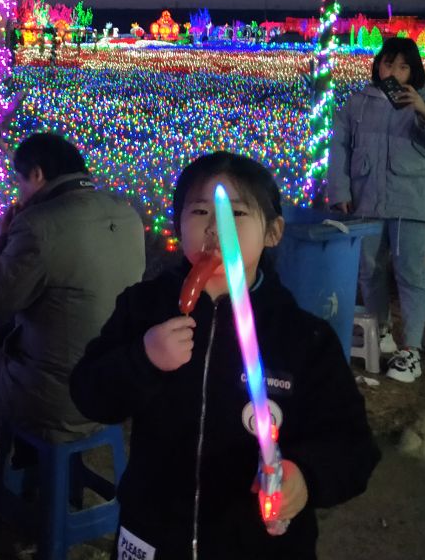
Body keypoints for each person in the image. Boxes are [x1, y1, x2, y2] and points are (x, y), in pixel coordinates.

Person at [71, 152, 379, 559]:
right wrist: (143, 358)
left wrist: (304, 478)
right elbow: (89, 395)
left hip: (258, 544)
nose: (215, 229)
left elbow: (353, 445)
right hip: (153, 532)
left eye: (236, 214)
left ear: (273, 231)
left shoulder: (303, 337)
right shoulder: (143, 308)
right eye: (200, 211)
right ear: (178, 222)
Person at [0, 133, 145, 512]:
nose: (19, 191)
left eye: (20, 181)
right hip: (111, 387)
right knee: (16, 343)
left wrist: (0, 239)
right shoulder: (125, 213)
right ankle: (41, 474)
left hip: (60, 397)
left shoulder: (39, 224)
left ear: (38, 175)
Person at [328, 36, 425, 383]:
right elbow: (339, 148)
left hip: (411, 200)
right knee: (370, 268)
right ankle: (378, 331)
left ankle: (410, 351)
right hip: (367, 197)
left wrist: (424, 113)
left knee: (410, 273)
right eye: (387, 63)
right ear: (377, 64)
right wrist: (340, 189)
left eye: (402, 65)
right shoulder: (357, 103)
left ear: (414, 71)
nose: (393, 71)